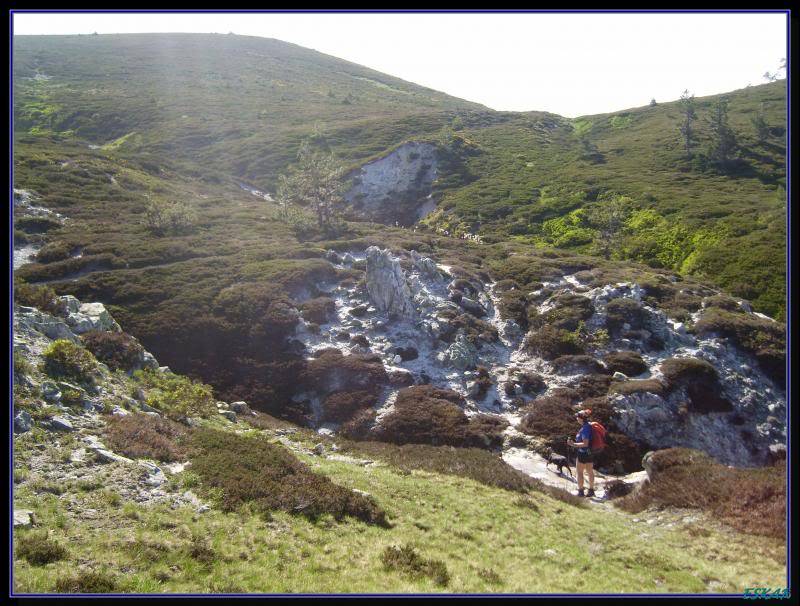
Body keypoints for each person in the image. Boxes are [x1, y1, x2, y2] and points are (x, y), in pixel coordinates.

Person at [567, 409, 595, 497]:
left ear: (581, 419)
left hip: (583, 453)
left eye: (577, 417)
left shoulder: (585, 429)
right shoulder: (589, 425)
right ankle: (591, 490)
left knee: (579, 472)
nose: (576, 418)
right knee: (590, 471)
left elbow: (585, 443)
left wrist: (573, 444)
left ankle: (581, 491)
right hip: (590, 452)